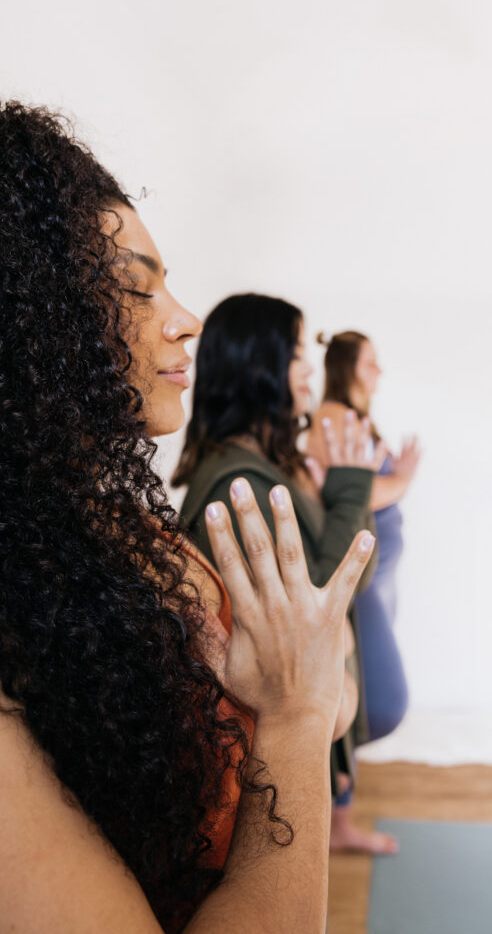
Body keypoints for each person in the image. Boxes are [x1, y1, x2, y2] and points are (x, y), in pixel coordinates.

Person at [0, 99, 375, 934]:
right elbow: (298, 703)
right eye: (136, 285)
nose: (186, 317)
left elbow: (302, 689)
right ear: (24, 324)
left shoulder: (112, 526)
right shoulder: (233, 483)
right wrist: (298, 719)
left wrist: (304, 690)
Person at [172, 293, 388, 854]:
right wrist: (349, 488)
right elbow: (323, 598)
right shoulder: (238, 484)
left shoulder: (262, 466)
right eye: (295, 355)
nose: (308, 372)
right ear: (258, 366)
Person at [307, 330, 422, 852]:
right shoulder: (331, 416)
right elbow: (352, 491)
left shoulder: (354, 420)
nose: (379, 372)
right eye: (371, 363)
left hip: (381, 581)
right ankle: (329, 819)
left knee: (366, 691)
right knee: (379, 700)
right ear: (348, 367)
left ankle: (339, 823)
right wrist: (405, 480)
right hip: (359, 585)